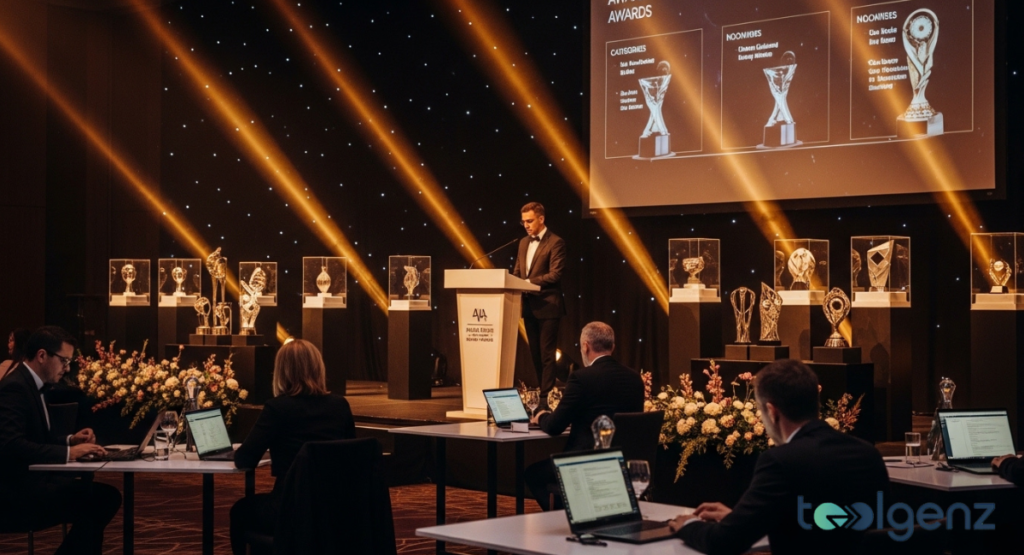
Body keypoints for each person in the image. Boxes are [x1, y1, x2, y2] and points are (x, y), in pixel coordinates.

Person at [667, 359, 889, 555]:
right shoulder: (867, 453)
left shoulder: (781, 461)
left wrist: (690, 524)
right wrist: (738, 519)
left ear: (772, 412)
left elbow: (723, 543)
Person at [0, 326, 121, 554]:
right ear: (42, 355)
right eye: (64, 361)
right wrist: (69, 454)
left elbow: (36, 438)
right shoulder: (15, 387)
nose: (67, 369)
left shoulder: (32, 385)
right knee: (101, 500)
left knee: (101, 498)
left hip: (33, 484)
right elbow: (10, 444)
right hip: (16, 494)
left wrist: (70, 441)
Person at [230, 339, 356, 554]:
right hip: (336, 507)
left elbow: (245, 459)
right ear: (318, 368)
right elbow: (351, 456)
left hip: (291, 507)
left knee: (240, 510)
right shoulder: (340, 405)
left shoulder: (278, 408)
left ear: (282, 372)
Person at [524, 321, 644, 510]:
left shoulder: (582, 378)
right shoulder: (634, 378)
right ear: (612, 347)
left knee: (533, 474)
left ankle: (573, 514)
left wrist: (541, 416)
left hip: (584, 463)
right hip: (621, 461)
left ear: (585, 346)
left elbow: (555, 426)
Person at [512, 201, 566, 397]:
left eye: (530, 220)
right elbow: (517, 272)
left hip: (548, 305)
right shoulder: (523, 243)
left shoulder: (556, 242)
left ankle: (546, 395)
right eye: (523, 221)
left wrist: (527, 283)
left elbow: (555, 274)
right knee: (534, 353)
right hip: (528, 306)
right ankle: (543, 391)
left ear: (541, 219)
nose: (526, 225)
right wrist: (514, 281)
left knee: (546, 354)